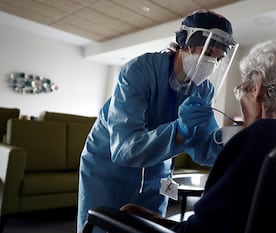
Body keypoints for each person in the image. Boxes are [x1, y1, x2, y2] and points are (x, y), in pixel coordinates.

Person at [119, 39, 276, 233]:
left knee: (127, 211)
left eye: (242, 90)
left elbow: (200, 230)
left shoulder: (251, 142)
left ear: (257, 89)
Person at [77, 10, 238, 233]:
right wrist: (179, 130)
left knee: (150, 228)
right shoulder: (140, 71)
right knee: (102, 226)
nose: (211, 62)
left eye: (218, 58)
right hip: (108, 169)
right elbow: (124, 149)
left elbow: (202, 150)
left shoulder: (204, 89)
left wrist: (228, 138)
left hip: (157, 169)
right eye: (208, 52)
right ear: (185, 43)